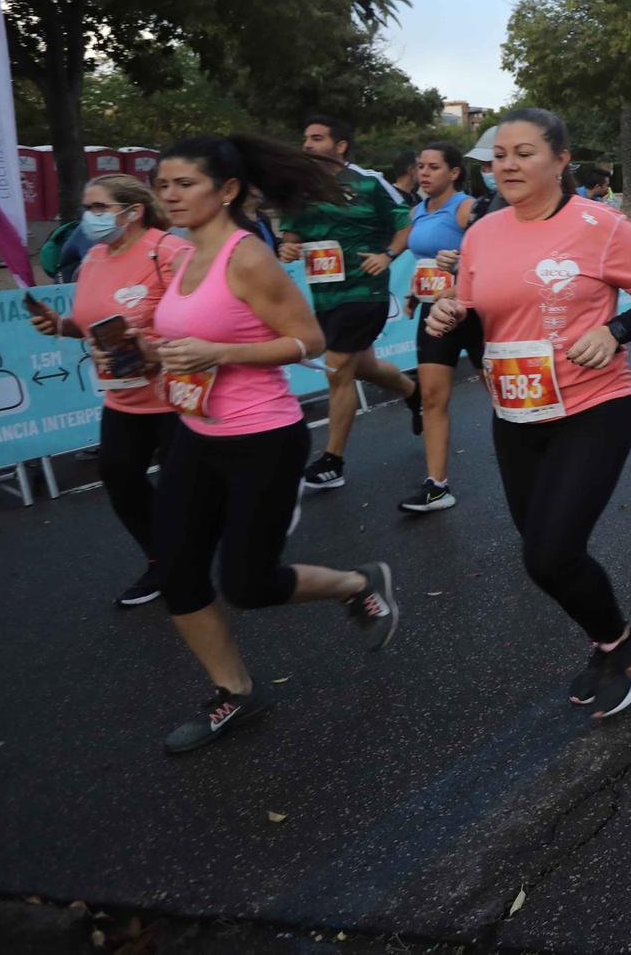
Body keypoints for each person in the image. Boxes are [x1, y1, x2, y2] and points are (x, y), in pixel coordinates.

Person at [147, 134, 401, 753]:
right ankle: (235, 693)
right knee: (177, 572)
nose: (171, 195)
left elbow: (309, 341)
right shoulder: (180, 255)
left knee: (248, 583)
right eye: (163, 185)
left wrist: (220, 353)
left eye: (186, 184)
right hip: (194, 431)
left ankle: (357, 584)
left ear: (228, 190)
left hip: (262, 437)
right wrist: (148, 353)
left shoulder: (247, 258)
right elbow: (183, 335)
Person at [425, 108, 631, 719]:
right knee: (539, 548)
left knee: (551, 553)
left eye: (524, 153)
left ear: (561, 160)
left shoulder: (600, 224)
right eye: (499, 155)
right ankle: (612, 639)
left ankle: (622, 646)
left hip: (594, 404)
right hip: (515, 411)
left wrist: (615, 330)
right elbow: (473, 312)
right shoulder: (483, 232)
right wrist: (447, 315)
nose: (507, 165)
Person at [26, 173, 184, 606]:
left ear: (133, 212)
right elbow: (92, 322)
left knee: (181, 491)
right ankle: (161, 560)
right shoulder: (93, 256)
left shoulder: (168, 250)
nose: (89, 217)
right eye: (87, 208)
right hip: (122, 395)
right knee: (120, 478)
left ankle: (184, 564)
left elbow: (202, 320)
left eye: (99, 208)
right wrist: (60, 325)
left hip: (176, 393)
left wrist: (150, 347)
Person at [280, 115, 419, 492]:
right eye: (305, 137)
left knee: (338, 367)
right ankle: (413, 393)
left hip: (364, 291)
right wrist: (288, 245)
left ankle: (332, 461)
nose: (307, 145)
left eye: (317, 138)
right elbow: (290, 233)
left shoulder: (370, 182)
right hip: (324, 293)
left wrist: (388, 255)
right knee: (364, 365)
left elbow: (406, 224)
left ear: (340, 146)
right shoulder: (299, 187)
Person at [389, 140, 481, 514]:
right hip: (434, 313)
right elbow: (425, 261)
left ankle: (539, 460)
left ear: (454, 173)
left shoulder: (466, 209)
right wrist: (416, 292)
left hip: (474, 310)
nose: (423, 173)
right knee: (430, 398)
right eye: (420, 167)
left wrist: (457, 280)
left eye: (433, 167)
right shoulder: (417, 212)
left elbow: (491, 259)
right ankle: (436, 485)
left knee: (503, 395)